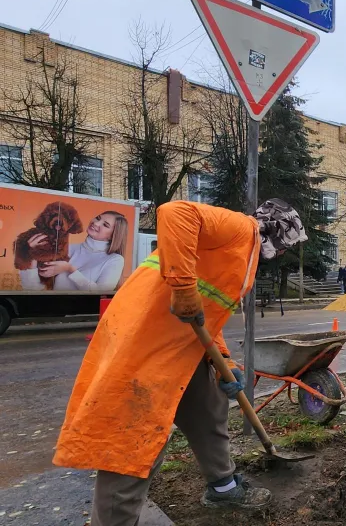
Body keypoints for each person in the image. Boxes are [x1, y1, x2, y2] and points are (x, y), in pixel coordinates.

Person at [53, 198, 307, 525]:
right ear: (274, 233)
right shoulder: (239, 229)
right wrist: (183, 287)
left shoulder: (242, 258)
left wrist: (223, 361)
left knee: (209, 402)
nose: (283, 253)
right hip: (145, 340)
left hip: (182, 342)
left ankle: (223, 486)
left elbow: (206, 317)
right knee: (137, 437)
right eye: (285, 245)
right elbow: (175, 212)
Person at [19, 211, 129, 292]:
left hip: (81, 317)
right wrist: (32, 255)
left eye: (105, 225)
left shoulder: (115, 260)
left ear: (113, 236)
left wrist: (70, 269)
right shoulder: (68, 248)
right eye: (97, 218)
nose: (96, 223)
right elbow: (32, 289)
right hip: (53, 313)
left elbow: (101, 293)